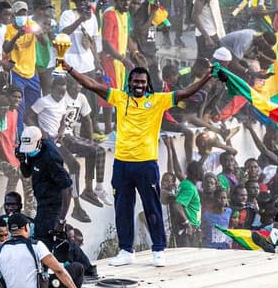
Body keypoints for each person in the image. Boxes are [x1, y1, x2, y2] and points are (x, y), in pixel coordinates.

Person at [62, 63, 212, 267]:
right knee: (123, 208)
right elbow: (92, 84)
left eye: (142, 82)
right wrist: (70, 68)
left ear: (148, 84)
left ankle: (158, 249)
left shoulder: (158, 100)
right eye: (135, 81)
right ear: (129, 83)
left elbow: (186, 93)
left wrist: (206, 77)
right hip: (122, 164)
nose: (139, 85)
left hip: (146, 164)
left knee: (152, 207)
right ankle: (126, 250)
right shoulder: (119, 98)